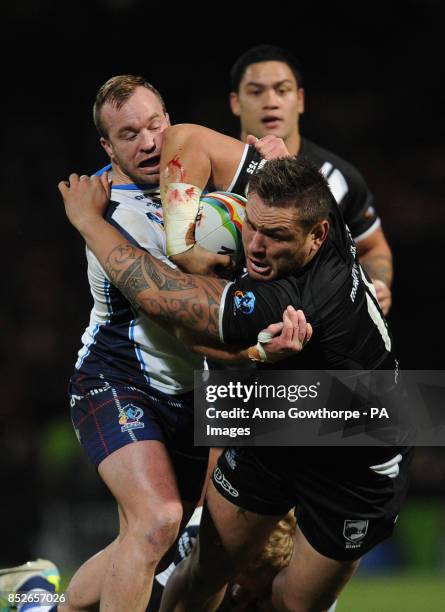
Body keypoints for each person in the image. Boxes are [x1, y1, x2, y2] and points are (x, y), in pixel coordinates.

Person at [59, 155, 412, 612]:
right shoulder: (315, 212)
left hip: (357, 443)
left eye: (277, 236)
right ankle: (53, 603)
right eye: (253, 227)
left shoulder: (297, 301)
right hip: (275, 412)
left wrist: (89, 221)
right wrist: (192, 238)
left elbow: (164, 301)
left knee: (292, 603)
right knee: (199, 573)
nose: (258, 248)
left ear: (317, 235)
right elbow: (188, 141)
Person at [54, 75, 307, 612]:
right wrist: (257, 352)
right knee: (158, 520)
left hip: (192, 394)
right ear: (108, 147)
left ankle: (51, 603)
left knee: (162, 534)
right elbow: (181, 324)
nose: (148, 142)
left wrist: (276, 165)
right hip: (116, 379)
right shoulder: (109, 216)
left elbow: (284, 210)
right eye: (128, 135)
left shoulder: (195, 181)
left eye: (154, 124)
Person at [229, 45, 393, 315]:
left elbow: (373, 247)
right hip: (233, 340)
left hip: (317, 341)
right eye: (256, 91)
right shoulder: (213, 169)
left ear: (300, 99)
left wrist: (379, 283)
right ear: (236, 102)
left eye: (282, 90)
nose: (270, 101)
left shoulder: (338, 177)